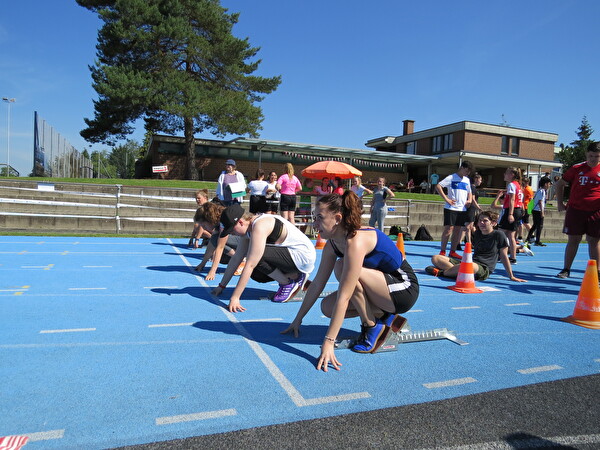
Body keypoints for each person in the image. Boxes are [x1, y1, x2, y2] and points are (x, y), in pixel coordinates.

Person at [282, 191, 419, 371]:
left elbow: (345, 296)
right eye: (315, 217)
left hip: (403, 289)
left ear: (338, 218)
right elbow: (317, 284)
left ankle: (371, 326)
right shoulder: (332, 244)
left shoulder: (356, 240)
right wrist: (297, 320)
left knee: (342, 268)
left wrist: (329, 341)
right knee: (327, 307)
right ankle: (384, 315)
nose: (315, 224)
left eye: (320, 218)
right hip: (382, 288)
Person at [211, 203, 316, 312]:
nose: (233, 234)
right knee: (257, 275)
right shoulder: (248, 228)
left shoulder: (260, 225)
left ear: (241, 222)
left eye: (232, 231)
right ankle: (294, 276)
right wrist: (221, 286)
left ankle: (287, 283)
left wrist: (235, 297)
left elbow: (251, 263)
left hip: (302, 256)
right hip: (293, 256)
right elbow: (236, 258)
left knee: (255, 256)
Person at [425, 210, 526, 283]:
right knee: (436, 258)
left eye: (485, 221)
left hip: (483, 268)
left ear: (494, 223)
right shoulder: (478, 233)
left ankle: (441, 273)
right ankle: (455, 271)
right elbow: (470, 247)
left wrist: (511, 276)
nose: (481, 223)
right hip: (471, 262)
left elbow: (504, 256)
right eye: (480, 220)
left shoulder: (499, 235)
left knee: (470, 267)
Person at [554, 141, 600, 279]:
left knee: (594, 241)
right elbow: (559, 184)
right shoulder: (577, 168)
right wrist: (560, 203)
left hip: (596, 211)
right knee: (573, 240)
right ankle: (566, 269)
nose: (593, 159)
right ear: (587, 154)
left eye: (597, 156)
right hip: (576, 210)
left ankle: (596, 273)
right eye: (591, 155)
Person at [193, 202, 242, 279]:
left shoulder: (224, 221)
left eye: (204, 225)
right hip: (241, 241)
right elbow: (211, 244)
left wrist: (212, 271)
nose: (204, 228)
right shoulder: (218, 220)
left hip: (248, 241)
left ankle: (242, 260)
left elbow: (220, 247)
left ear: (209, 220)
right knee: (216, 243)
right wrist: (202, 263)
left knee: (217, 242)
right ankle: (241, 258)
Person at [435, 161, 473, 259]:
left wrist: (469, 200)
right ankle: (443, 251)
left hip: (462, 209)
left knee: (457, 230)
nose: (467, 173)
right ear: (462, 167)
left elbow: (469, 192)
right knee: (448, 229)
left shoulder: (467, 180)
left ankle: (453, 251)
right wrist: (446, 199)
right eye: (467, 171)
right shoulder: (451, 177)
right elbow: (438, 186)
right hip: (451, 208)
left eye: (469, 172)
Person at [498, 167, 524, 264]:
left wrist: (510, 214)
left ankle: (500, 255)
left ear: (512, 174)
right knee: (511, 235)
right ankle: (512, 257)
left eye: (506, 173)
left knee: (500, 233)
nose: (504, 174)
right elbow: (519, 200)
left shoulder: (512, 185)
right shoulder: (518, 185)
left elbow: (512, 200)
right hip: (518, 210)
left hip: (511, 210)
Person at [526, 177, 551, 247]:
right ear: (545, 184)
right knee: (539, 226)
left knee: (535, 225)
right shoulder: (542, 191)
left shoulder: (540, 191)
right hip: (538, 210)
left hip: (536, 210)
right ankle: (537, 241)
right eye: (549, 184)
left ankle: (528, 238)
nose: (549, 185)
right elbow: (540, 202)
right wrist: (542, 212)